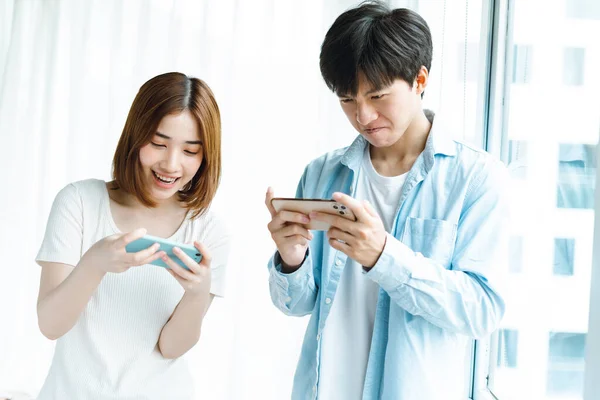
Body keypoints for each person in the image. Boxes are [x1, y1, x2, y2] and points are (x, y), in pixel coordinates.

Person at [265, 2, 509, 399]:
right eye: (347, 99)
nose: (363, 115)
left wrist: (383, 256)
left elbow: (481, 310)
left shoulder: (476, 178)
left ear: (419, 79)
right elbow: (297, 305)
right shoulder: (322, 174)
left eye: (377, 95)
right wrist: (291, 259)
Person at [35, 72, 230, 399]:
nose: (171, 164)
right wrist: (94, 263)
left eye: (190, 151)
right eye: (158, 144)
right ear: (135, 135)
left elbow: (171, 348)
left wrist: (198, 294)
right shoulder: (79, 202)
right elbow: (50, 325)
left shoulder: (209, 231)